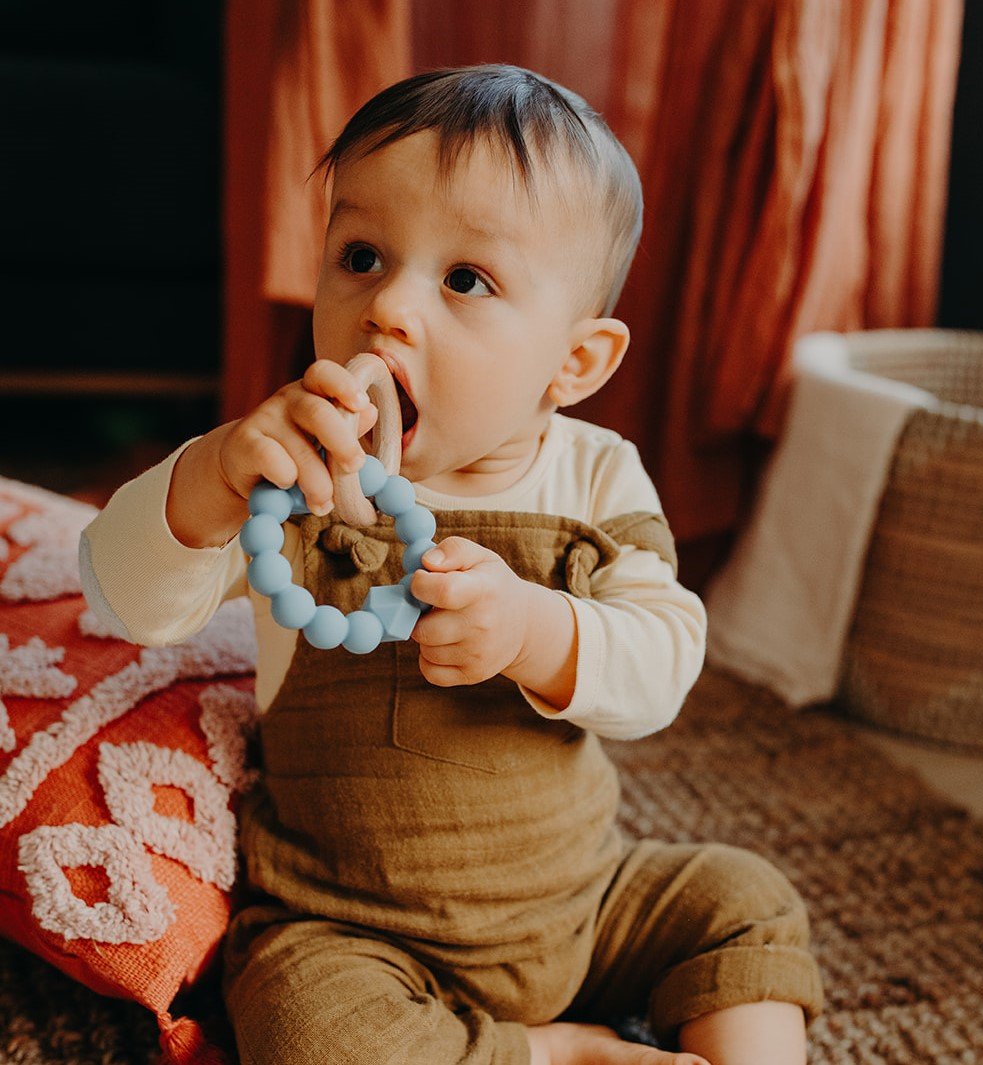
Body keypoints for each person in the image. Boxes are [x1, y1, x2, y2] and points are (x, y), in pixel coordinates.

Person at [80, 65, 823, 1065]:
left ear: (575, 362)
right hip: (349, 924)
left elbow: (663, 664)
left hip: (581, 897)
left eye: (466, 279)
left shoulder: (596, 477)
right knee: (300, 1022)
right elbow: (122, 595)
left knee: (746, 900)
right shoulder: (289, 469)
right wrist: (205, 482)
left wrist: (535, 629)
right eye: (361, 256)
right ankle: (553, 1055)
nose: (387, 308)